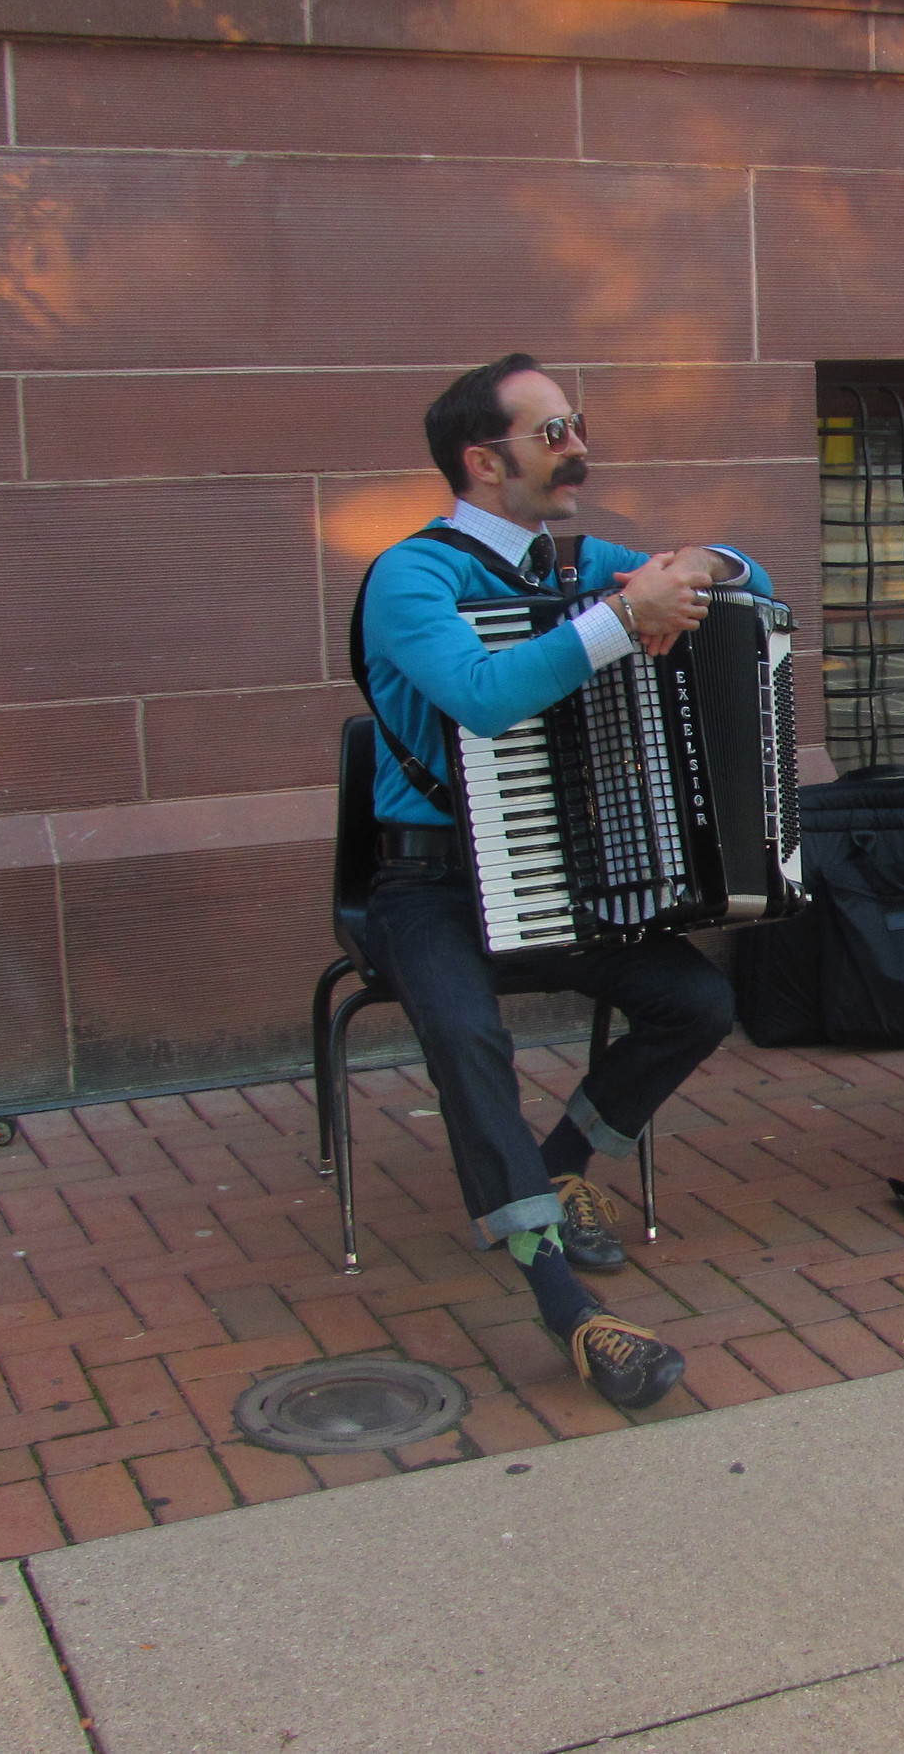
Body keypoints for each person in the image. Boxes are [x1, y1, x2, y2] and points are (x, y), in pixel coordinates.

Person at [356, 353, 771, 1411]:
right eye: (553, 433)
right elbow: (483, 698)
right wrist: (627, 616)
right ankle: (564, 1306)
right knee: (467, 1037)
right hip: (430, 885)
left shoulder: (576, 565)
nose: (579, 447)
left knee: (698, 999)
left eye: (576, 424)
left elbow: (752, 579)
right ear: (482, 460)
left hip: (554, 873)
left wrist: (698, 571)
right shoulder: (415, 575)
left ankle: (559, 1162)